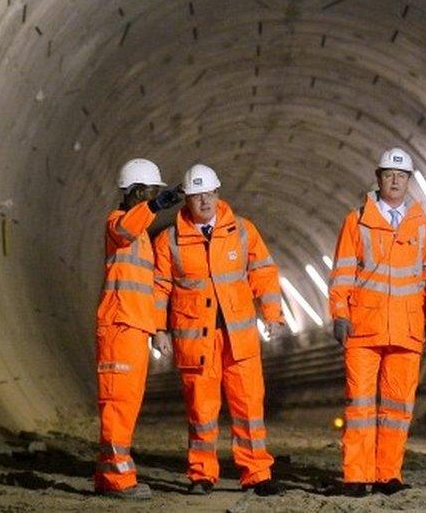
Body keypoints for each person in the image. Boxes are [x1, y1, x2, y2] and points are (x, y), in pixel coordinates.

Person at [152, 163, 286, 497]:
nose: (204, 202)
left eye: (209, 194)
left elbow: (264, 273)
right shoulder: (169, 240)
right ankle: (201, 473)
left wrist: (273, 314)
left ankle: (257, 472)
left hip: (238, 338)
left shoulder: (242, 231)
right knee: (201, 409)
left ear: (218, 193)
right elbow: (159, 288)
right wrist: (158, 329)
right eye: (196, 196)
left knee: (249, 406)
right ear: (186, 200)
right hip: (196, 341)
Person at [328, 147, 426, 497]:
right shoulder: (356, 219)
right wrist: (339, 314)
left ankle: (388, 474)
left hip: (406, 330)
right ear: (378, 178)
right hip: (364, 328)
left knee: (397, 408)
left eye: (401, 175)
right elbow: (342, 271)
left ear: (409, 181)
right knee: (359, 407)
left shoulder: (421, 225)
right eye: (389, 174)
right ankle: (356, 476)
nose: (395, 181)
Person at [95, 158, 181, 499]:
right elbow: (125, 228)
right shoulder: (118, 223)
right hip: (119, 326)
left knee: (126, 403)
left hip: (134, 328)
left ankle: (108, 477)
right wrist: (157, 205)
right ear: (137, 193)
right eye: (150, 195)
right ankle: (117, 480)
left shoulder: (143, 236)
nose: (154, 202)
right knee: (118, 403)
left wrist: (157, 329)